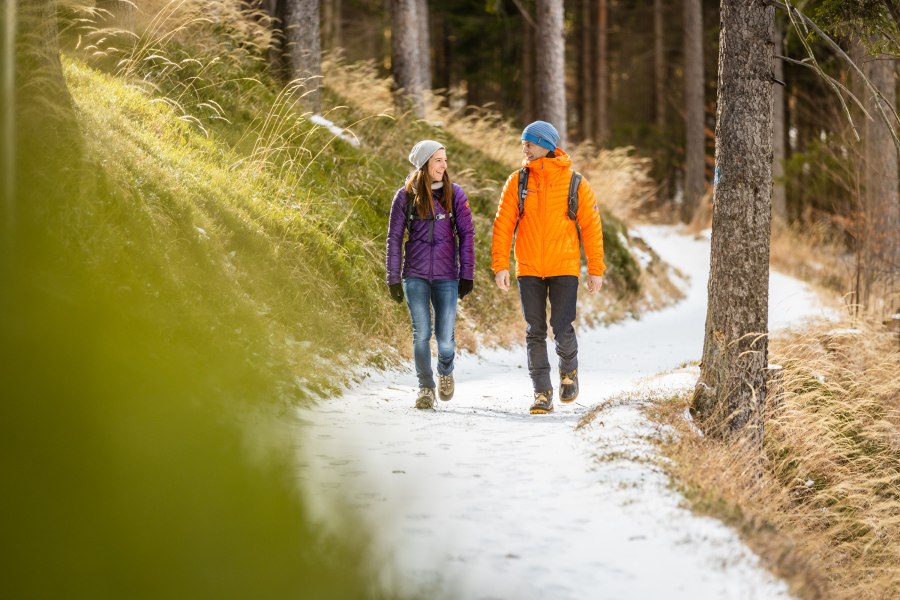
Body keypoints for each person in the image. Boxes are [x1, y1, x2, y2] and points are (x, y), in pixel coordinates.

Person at [491, 120, 605, 414]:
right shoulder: (517, 181)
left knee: (562, 327)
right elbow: (503, 225)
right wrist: (500, 265)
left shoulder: (575, 183)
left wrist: (596, 269)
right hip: (528, 267)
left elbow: (591, 228)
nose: (524, 149)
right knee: (534, 330)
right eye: (524, 144)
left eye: (528, 144)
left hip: (564, 266)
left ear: (545, 145)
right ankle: (542, 393)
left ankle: (569, 372)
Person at [386, 140, 475, 409]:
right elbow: (393, 237)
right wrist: (392, 277)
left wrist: (467, 273)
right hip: (415, 275)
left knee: (445, 337)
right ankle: (426, 388)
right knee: (421, 333)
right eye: (438, 160)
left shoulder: (455, 194)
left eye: (445, 160)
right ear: (425, 163)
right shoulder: (405, 196)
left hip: (447, 276)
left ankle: (445, 371)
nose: (444, 165)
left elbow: (467, 235)